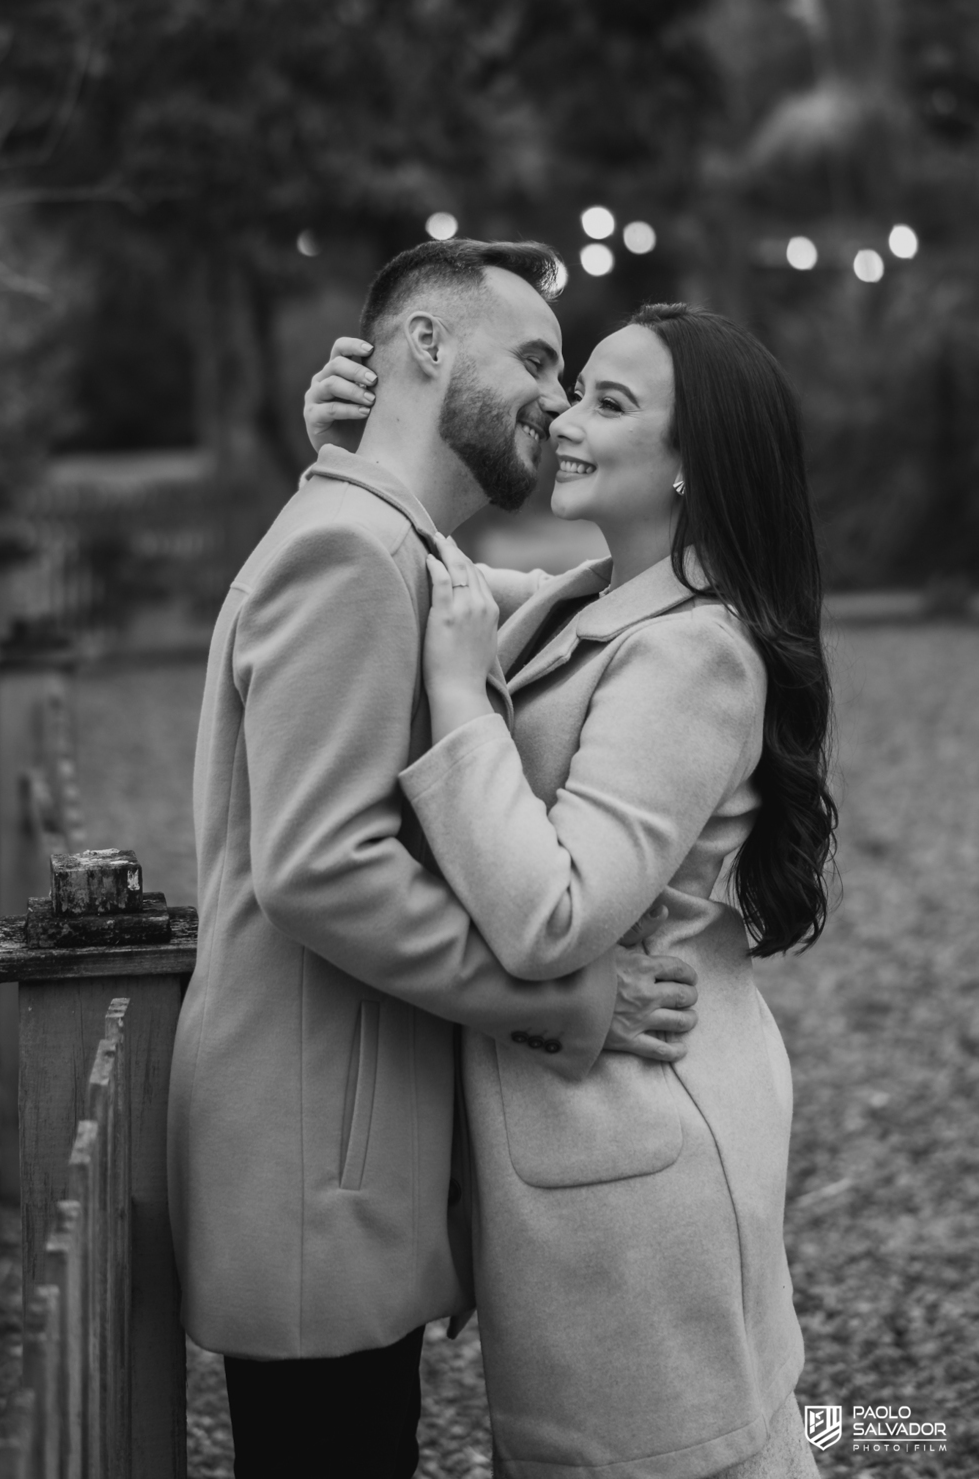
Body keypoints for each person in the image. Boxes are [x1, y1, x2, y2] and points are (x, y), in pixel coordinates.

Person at [166, 240, 699, 1479]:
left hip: (341, 1156)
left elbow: (568, 605)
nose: (556, 401)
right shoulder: (351, 552)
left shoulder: (394, 543)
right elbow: (320, 869)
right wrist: (572, 997)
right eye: (538, 361)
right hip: (317, 1168)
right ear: (424, 345)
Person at [303, 301, 837, 1477]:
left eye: (610, 402)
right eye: (576, 388)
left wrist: (460, 701)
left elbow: (555, 918)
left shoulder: (695, 652)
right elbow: (413, 572)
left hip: (638, 1154)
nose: (563, 417)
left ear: (691, 463)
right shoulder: (594, 595)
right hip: (598, 1137)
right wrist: (357, 452)